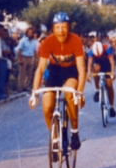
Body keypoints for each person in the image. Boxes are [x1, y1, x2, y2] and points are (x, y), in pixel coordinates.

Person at [28, 12, 86, 152]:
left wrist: (79, 92)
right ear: (53, 29)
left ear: (69, 28)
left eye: (64, 27)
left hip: (71, 71)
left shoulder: (75, 40)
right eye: (58, 27)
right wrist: (34, 93)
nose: (61, 31)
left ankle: (74, 131)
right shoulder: (48, 42)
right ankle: (55, 138)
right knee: (47, 105)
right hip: (55, 72)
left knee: (69, 92)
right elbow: (40, 69)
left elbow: (82, 69)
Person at [86, 35, 116, 118]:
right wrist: (88, 73)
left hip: (107, 64)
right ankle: (97, 90)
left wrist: (113, 72)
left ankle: (111, 107)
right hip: (98, 63)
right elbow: (89, 63)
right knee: (96, 69)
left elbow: (112, 62)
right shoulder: (91, 51)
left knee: (109, 85)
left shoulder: (107, 48)